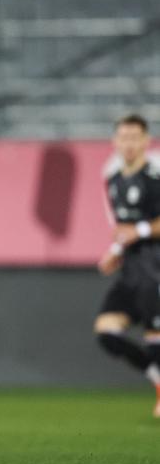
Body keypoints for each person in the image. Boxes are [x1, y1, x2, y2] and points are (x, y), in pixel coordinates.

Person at [95, 114, 160, 417]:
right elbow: (122, 227)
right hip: (131, 271)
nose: (129, 144)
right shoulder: (112, 178)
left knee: (154, 336)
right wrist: (116, 250)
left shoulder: (155, 175)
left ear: (146, 141)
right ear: (115, 141)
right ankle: (156, 376)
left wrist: (140, 231)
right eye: (124, 137)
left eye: (135, 137)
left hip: (155, 270)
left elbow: (137, 228)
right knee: (106, 332)